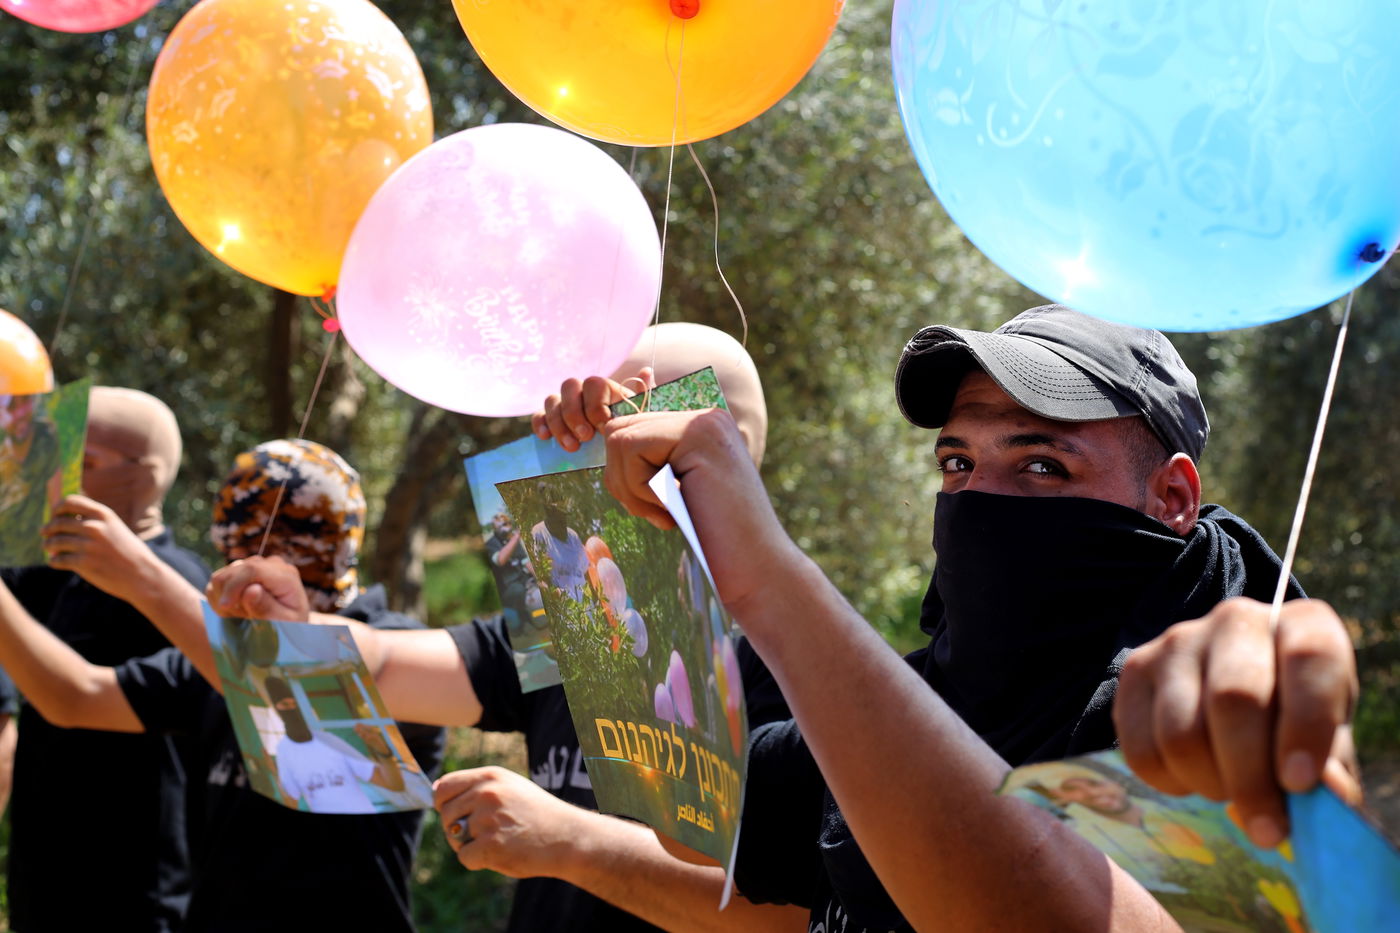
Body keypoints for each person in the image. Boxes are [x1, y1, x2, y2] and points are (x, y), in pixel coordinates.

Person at [568, 305, 1361, 930]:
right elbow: (687, 809)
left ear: (1173, 498)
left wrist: (771, 580)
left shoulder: (1199, 726)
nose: (980, 500)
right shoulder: (931, 695)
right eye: (958, 463)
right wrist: (614, 519)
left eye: (1043, 464)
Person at [211, 323, 806, 933]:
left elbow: (796, 917)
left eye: (629, 438)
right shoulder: (572, 631)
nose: (599, 471)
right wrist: (292, 623)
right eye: (582, 444)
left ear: (725, 448)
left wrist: (571, 843)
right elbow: (383, 665)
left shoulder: (795, 664)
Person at [5, 438, 445, 931]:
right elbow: (74, 697)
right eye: (235, 532)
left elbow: (298, 707)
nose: (243, 551)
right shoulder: (210, 656)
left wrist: (140, 575)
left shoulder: (396, 651)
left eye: (278, 533)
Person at [1, 386, 205, 933]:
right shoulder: (55, 576)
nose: (54, 478)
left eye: (79, 462)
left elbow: (74, 696)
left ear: (145, 474)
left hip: (135, 896)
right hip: (44, 885)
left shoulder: (180, 591)